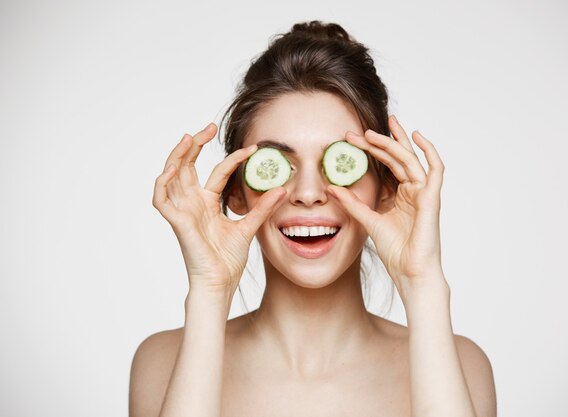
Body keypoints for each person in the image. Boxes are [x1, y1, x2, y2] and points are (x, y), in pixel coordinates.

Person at [129, 20, 497, 417]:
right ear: (235, 191)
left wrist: (422, 283)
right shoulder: (160, 363)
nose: (307, 193)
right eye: (276, 165)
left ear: (387, 187)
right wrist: (209, 291)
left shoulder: (463, 365)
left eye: (340, 162)